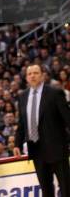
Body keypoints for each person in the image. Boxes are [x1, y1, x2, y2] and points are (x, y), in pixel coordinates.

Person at [14, 64, 70, 197]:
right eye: (29, 74)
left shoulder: (54, 93)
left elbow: (67, 118)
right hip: (36, 149)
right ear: (26, 78)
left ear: (42, 75)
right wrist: (17, 143)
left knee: (66, 187)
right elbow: (22, 123)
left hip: (57, 148)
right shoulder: (22, 96)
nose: (32, 76)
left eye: (36, 73)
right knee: (46, 190)